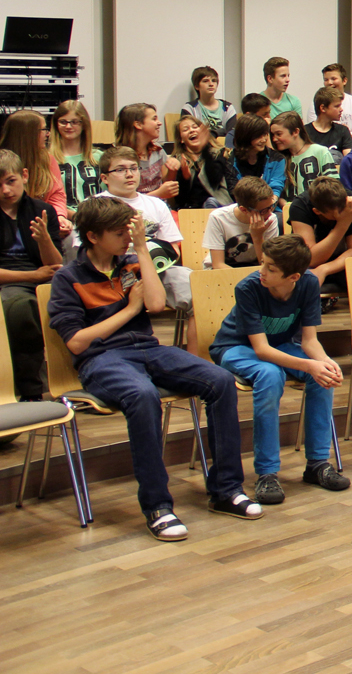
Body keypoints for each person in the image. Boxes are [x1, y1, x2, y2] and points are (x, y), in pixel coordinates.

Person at [49, 196, 260, 540]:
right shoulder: (68, 278)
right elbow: (76, 342)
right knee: (142, 395)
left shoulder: (131, 262)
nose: (127, 238)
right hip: (101, 359)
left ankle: (226, 489)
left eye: (128, 231)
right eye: (119, 233)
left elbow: (157, 304)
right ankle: (157, 506)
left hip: (147, 349)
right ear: (93, 236)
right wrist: (130, 311)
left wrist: (141, 250)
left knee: (220, 380)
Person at [210, 235, 350, 505]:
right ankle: (267, 473)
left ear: (294, 277)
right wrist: (310, 364)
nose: (261, 271)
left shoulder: (308, 284)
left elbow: (309, 341)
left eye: (270, 268)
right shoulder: (248, 287)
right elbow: (261, 350)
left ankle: (317, 464)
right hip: (236, 347)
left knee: (322, 375)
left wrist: (325, 362)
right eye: (263, 263)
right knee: (270, 374)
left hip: (280, 346)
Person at [94, 146, 199, 354]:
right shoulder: (94, 205)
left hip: (157, 270)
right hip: (114, 275)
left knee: (199, 291)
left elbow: (172, 249)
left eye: (133, 168)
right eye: (121, 169)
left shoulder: (156, 204)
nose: (129, 174)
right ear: (105, 178)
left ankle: (199, 361)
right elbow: (88, 252)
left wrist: (149, 264)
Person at [0, 147, 66, 399]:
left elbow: (55, 265)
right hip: (12, 281)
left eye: (11, 181)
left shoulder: (42, 210)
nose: (6, 190)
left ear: (24, 176)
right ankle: (30, 390)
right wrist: (32, 276)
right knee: (20, 307)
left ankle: (78, 379)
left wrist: (44, 240)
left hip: (44, 278)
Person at [288, 177, 352, 300]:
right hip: (310, 263)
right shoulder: (300, 206)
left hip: (340, 263)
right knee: (300, 278)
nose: (342, 215)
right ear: (317, 211)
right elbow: (311, 258)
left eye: (343, 212)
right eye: (335, 215)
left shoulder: (350, 202)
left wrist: (324, 269)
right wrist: (343, 224)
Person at [1, 109, 69, 230]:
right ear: (29, 134)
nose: (48, 134)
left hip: (44, 221)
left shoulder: (48, 160)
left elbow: (56, 195)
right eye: (43, 129)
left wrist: (59, 216)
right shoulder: (3, 160)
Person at [204, 177, 280, 269]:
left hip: (255, 269)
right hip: (222, 270)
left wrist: (257, 238)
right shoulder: (218, 218)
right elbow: (218, 264)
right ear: (244, 210)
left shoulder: (270, 219)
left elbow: (268, 265)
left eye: (271, 206)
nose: (269, 213)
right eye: (263, 211)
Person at [112, 103, 181, 201]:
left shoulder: (157, 150)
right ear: (138, 125)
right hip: (134, 208)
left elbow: (166, 183)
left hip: (159, 206)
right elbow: (124, 200)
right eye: (154, 119)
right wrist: (157, 194)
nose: (159, 123)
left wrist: (172, 170)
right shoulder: (120, 158)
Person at [169, 116, 236, 211]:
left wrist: (205, 150)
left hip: (220, 206)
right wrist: (185, 179)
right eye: (186, 129)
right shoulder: (179, 161)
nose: (191, 130)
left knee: (211, 202)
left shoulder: (220, 154)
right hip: (192, 211)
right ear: (181, 139)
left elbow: (215, 181)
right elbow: (180, 200)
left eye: (195, 127)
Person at [50, 101, 100, 222]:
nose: (68, 126)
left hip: (98, 220)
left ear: (84, 124)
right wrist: (74, 216)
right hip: (62, 221)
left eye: (75, 122)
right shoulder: (48, 159)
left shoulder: (100, 157)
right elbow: (46, 198)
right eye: (63, 122)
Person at [271, 113, 339, 198]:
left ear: (295, 132)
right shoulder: (280, 159)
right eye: (273, 135)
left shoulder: (320, 152)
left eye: (278, 134)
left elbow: (334, 187)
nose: (274, 139)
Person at [230, 114, 287, 203]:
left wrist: (268, 205)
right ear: (245, 136)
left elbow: (276, 187)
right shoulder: (230, 159)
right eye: (258, 136)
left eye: (265, 134)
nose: (264, 140)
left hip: (269, 206)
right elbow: (234, 191)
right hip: (241, 206)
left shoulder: (277, 159)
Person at [181, 65, 236, 137]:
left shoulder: (228, 108)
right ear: (196, 86)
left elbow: (231, 135)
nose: (211, 84)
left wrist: (210, 134)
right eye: (205, 81)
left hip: (224, 144)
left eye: (214, 81)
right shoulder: (189, 108)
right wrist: (220, 132)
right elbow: (192, 135)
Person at [320, 63, 352, 134]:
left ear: (344, 81)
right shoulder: (318, 104)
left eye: (333, 79)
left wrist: (347, 136)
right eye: (326, 79)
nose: (329, 82)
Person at [307, 86, 352, 156]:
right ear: (323, 108)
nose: (341, 109)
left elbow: (349, 159)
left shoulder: (343, 131)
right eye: (337, 106)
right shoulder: (305, 132)